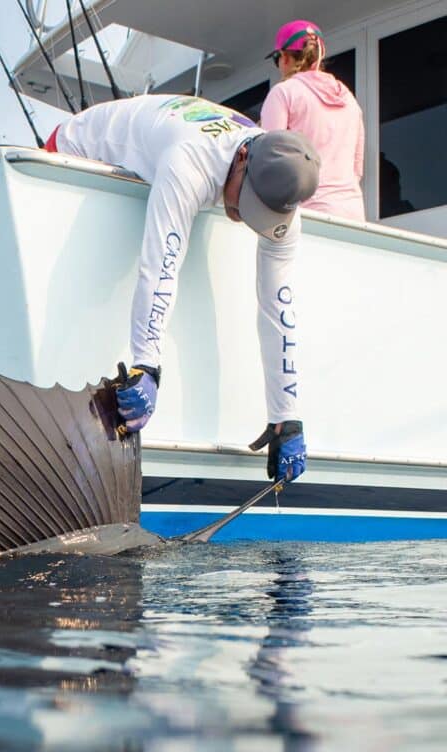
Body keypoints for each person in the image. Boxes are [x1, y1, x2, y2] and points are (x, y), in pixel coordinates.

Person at [45, 94, 318, 482]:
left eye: (259, 210)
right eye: (247, 199)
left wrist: (286, 416)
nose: (242, 216)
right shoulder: (190, 161)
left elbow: (279, 308)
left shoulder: (282, 195)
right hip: (73, 146)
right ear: (243, 158)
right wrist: (147, 365)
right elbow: (160, 264)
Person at [261, 20, 365, 221]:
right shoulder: (349, 100)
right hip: (353, 214)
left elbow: (268, 163)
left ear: (284, 57)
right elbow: (357, 169)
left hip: (308, 216)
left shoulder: (283, 93)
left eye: (277, 59)